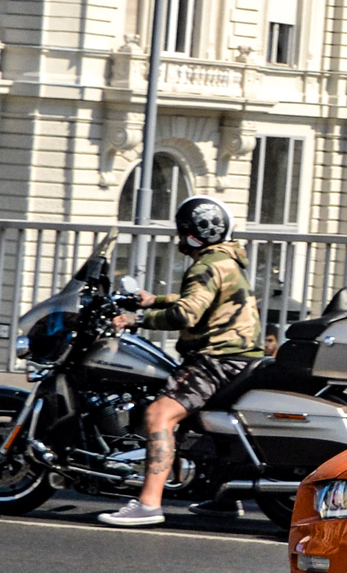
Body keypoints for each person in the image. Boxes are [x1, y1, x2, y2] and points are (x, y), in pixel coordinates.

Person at [98, 196, 261, 527]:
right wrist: (152, 300)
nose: (178, 238)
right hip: (237, 357)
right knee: (194, 421)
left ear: (193, 233)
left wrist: (135, 319)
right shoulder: (224, 261)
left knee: (159, 414)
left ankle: (148, 504)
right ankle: (222, 498)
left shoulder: (205, 265)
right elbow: (201, 299)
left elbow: (187, 313)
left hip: (217, 359)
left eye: (181, 231)